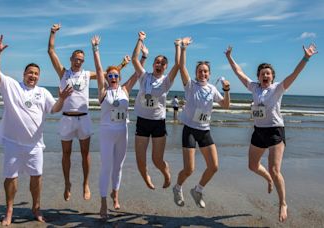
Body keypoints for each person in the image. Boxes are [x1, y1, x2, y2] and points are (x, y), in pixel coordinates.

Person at [224, 44, 317, 222]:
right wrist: (229, 57)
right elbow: (239, 72)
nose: (265, 75)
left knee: (275, 169)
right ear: (258, 77)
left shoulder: (278, 88)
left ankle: (282, 203)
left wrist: (306, 58)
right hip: (259, 131)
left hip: (275, 131)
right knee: (252, 166)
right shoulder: (254, 88)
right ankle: (268, 178)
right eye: (262, 73)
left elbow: (294, 74)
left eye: (268, 73)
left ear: (272, 76)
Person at [0, 33, 73, 226]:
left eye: (36, 73)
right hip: (12, 143)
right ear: (24, 74)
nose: (33, 75)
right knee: (11, 177)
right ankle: (9, 210)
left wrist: (62, 99)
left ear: (39, 76)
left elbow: (54, 109)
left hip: (35, 146)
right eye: (30, 72)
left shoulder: (43, 92)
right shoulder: (11, 86)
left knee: (36, 178)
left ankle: (36, 208)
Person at [47, 23, 128, 201]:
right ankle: (67, 183)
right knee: (66, 154)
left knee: (86, 154)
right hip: (67, 119)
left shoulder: (85, 74)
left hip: (84, 119)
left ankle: (85, 184)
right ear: (71, 58)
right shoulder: (63, 73)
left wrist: (122, 64)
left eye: (81, 60)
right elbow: (51, 52)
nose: (79, 61)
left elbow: (105, 73)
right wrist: (53, 33)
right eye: (76, 58)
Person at [91, 35, 148, 219]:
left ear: (119, 78)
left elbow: (138, 73)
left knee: (119, 166)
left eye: (116, 75)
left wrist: (143, 55)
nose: (113, 77)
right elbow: (99, 69)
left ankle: (115, 193)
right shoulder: (103, 91)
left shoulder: (124, 89)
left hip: (122, 131)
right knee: (106, 166)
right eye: (110, 76)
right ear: (107, 78)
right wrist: (96, 49)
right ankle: (103, 203)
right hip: (107, 132)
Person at [172, 38, 230, 208]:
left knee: (214, 167)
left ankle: (198, 190)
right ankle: (177, 187)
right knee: (189, 169)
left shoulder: (212, 89)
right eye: (200, 71)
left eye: (205, 71)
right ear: (196, 73)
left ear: (209, 74)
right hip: (189, 129)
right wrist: (183, 48)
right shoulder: (190, 85)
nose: (203, 74)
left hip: (204, 131)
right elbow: (181, 66)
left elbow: (225, 105)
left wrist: (226, 90)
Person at [131, 31, 181, 190]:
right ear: (153, 64)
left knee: (156, 159)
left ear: (165, 67)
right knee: (140, 158)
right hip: (142, 122)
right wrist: (140, 40)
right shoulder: (144, 76)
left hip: (158, 123)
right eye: (157, 62)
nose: (159, 64)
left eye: (162, 63)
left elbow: (178, 65)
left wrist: (178, 46)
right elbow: (134, 59)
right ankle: (146, 178)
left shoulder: (166, 81)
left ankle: (166, 174)